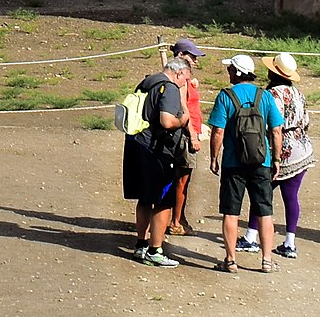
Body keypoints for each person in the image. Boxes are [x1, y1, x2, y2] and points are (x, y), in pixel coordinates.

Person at [206, 54, 286, 272]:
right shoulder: (264, 96)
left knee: (231, 212)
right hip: (262, 161)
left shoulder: (225, 96)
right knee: (264, 211)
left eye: (230, 69)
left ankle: (231, 260)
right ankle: (267, 260)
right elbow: (276, 130)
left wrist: (214, 157)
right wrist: (276, 159)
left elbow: (218, 130)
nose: (228, 72)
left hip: (233, 162)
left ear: (238, 72)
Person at [122, 52, 193, 268]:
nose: (185, 83)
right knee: (163, 202)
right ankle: (155, 250)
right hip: (156, 151)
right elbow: (167, 121)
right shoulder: (169, 88)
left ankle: (141, 245)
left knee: (144, 198)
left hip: (136, 144)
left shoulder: (146, 81)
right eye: (185, 78)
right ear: (179, 72)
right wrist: (183, 119)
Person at [266, 52, 314, 259]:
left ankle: (251, 236)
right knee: (291, 196)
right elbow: (306, 122)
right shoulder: (298, 94)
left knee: (263, 192)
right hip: (301, 148)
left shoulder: (272, 94)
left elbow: (274, 124)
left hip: (282, 147)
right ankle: (290, 241)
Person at [168, 38, 206, 236]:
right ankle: (176, 221)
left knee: (182, 178)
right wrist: (193, 135)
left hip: (189, 131)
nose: (196, 61)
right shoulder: (181, 81)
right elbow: (184, 107)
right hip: (186, 133)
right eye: (192, 57)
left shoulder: (185, 79)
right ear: (181, 55)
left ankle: (177, 218)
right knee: (183, 178)